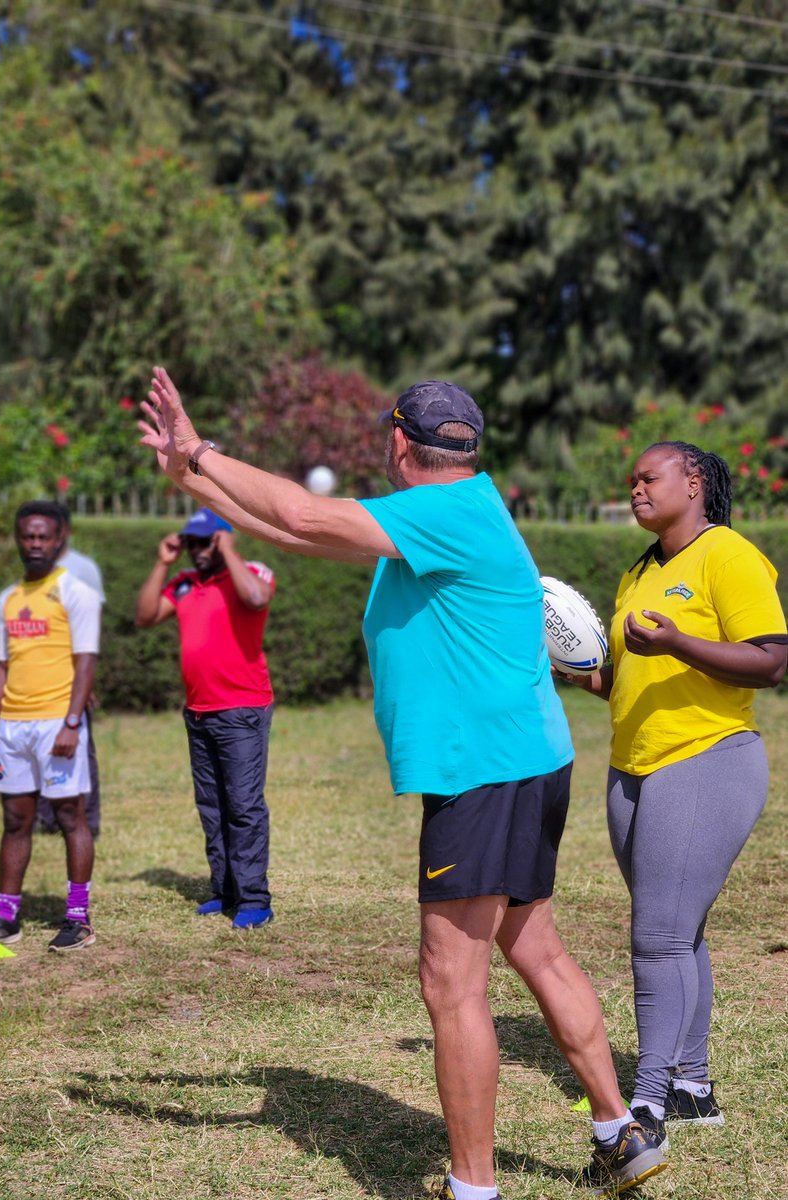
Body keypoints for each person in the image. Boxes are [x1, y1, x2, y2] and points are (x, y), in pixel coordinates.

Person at [137, 367, 668, 1199]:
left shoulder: (444, 513)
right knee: (534, 946)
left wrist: (201, 449)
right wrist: (191, 476)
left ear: (396, 441)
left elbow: (302, 514)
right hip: (523, 759)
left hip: (483, 772)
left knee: (449, 983)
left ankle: (473, 1186)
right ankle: (618, 1133)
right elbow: (300, 535)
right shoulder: (451, 511)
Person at [558, 441, 787, 1143]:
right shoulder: (638, 573)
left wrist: (679, 643)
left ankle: (648, 1103)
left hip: (706, 760)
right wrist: (574, 670)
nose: (635, 489)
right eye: (631, 480)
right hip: (633, 770)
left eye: (648, 478)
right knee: (678, 931)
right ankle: (692, 1086)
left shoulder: (728, 555)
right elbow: (628, 679)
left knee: (657, 937)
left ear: (693, 483)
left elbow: (771, 661)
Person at [0, 500, 102, 953]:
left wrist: (72, 723)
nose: (35, 543)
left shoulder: (75, 592)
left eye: (44, 536)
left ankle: (78, 918)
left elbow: (86, 663)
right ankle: (5, 918)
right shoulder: (8, 598)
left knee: (69, 816)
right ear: (18, 539)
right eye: (28, 536)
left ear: (59, 539)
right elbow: (1, 667)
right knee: (14, 819)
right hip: (13, 728)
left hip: (57, 724)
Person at [134, 507, 277, 930]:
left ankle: (254, 899)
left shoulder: (252, 573)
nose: (197, 550)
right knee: (212, 806)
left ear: (222, 540)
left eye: (206, 542)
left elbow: (256, 599)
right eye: (191, 543)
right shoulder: (183, 584)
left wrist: (228, 550)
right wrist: (163, 563)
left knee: (243, 806)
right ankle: (225, 890)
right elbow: (144, 617)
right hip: (198, 712)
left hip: (241, 711)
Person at [36, 500, 105, 838]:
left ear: (64, 531)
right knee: (41, 746)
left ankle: (88, 819)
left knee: (80, 746)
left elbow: (91, 629)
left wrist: (86, 678)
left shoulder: (83, 568)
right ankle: (47, 818)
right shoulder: (36, 570)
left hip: (74, 675)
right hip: (42, 676)